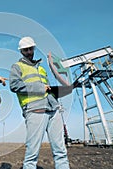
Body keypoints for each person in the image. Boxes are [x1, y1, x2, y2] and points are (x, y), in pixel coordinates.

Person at [9, 37, 73, 169]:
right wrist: (39, 89)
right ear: (21, 51)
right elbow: (14, 86)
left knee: (61, 151)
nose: (29, 51)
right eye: (25, 50)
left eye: (31, 48)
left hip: (53, 109)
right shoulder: (17, 66)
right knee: (32, 154)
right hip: (35, 110)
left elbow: (48, 88)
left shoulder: (41, 68)